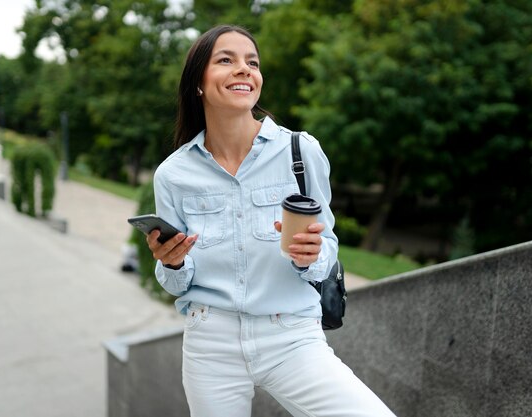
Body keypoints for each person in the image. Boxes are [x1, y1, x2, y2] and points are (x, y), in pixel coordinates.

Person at [146, 24, 396, 417]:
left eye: (252, 62)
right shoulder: (173, 175)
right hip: (211, 342)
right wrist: (172, 261)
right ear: (197, 83)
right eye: (226, 60)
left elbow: (327, 249)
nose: (244, 69)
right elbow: (176, 281)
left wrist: (309, 254)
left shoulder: (300, 151)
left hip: (292, 336)